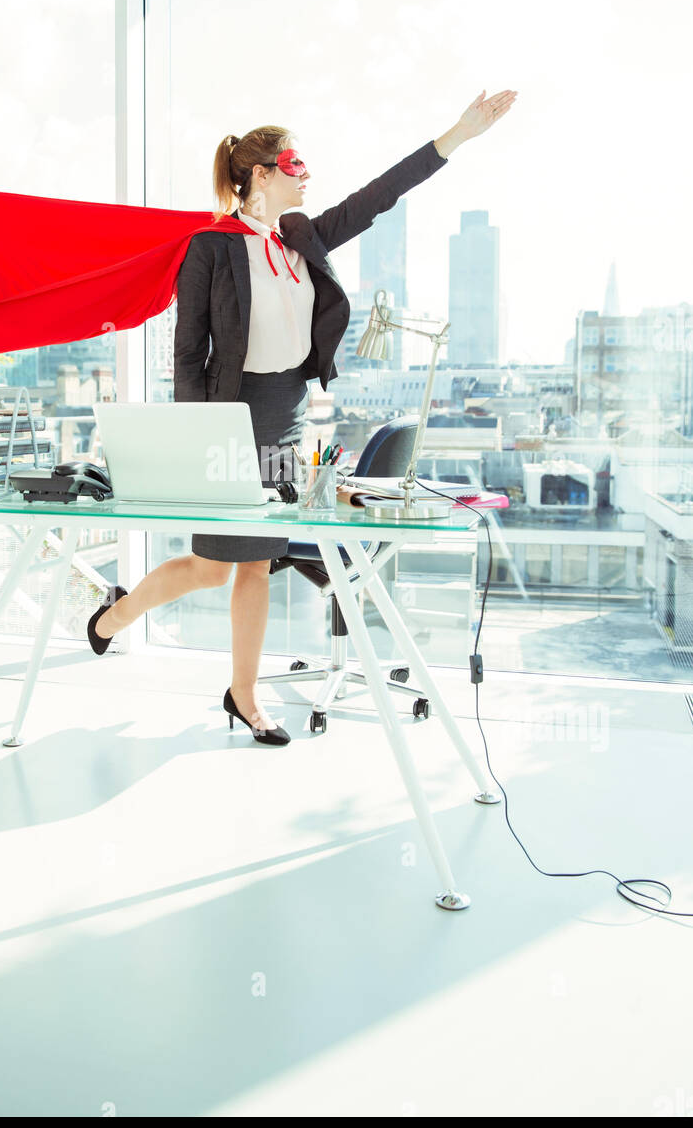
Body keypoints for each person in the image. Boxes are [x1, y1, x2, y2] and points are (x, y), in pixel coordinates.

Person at [87, 88, 518, 743]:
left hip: (285, 413)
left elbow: (379, 196)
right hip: (227, 417)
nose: (307, 174)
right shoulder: (210, 245)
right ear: (259, 175)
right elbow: (186, 350)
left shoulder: (301, 238)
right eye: (294, 165)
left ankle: (243, 693)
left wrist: (456, 135)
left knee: (253, 563)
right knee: (210, 566)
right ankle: (112, 620)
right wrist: (198, 433)